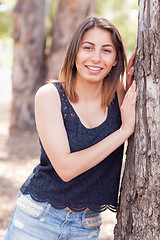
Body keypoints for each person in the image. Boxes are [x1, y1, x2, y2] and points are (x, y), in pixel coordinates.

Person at [3, 16, 136, 240]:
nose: (96, 58)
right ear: (75, 52)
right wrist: (123, 132)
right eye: (88, 47)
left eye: (106, 50)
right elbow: (66, 169)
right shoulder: (50, 96)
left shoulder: (120, 96)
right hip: (38, 220)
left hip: (87, 226)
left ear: (115, 59)